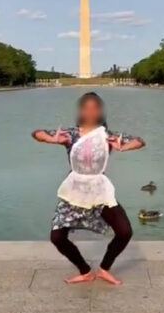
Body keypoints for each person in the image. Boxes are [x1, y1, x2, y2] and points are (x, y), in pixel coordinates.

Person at [32, 92, 145, 285]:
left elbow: (139, 141)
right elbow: (37, 133)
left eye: (95, 108)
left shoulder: (107, 136)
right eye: (87, 108)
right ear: (81, 111)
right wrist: (52, 140)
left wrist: (123, 146)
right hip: (75, 190)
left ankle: (104, 269)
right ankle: (84, 270)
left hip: (99, 190)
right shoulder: (71, 134)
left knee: (124, 231)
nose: (91, 112)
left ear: (100, 111)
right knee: (57, 237)